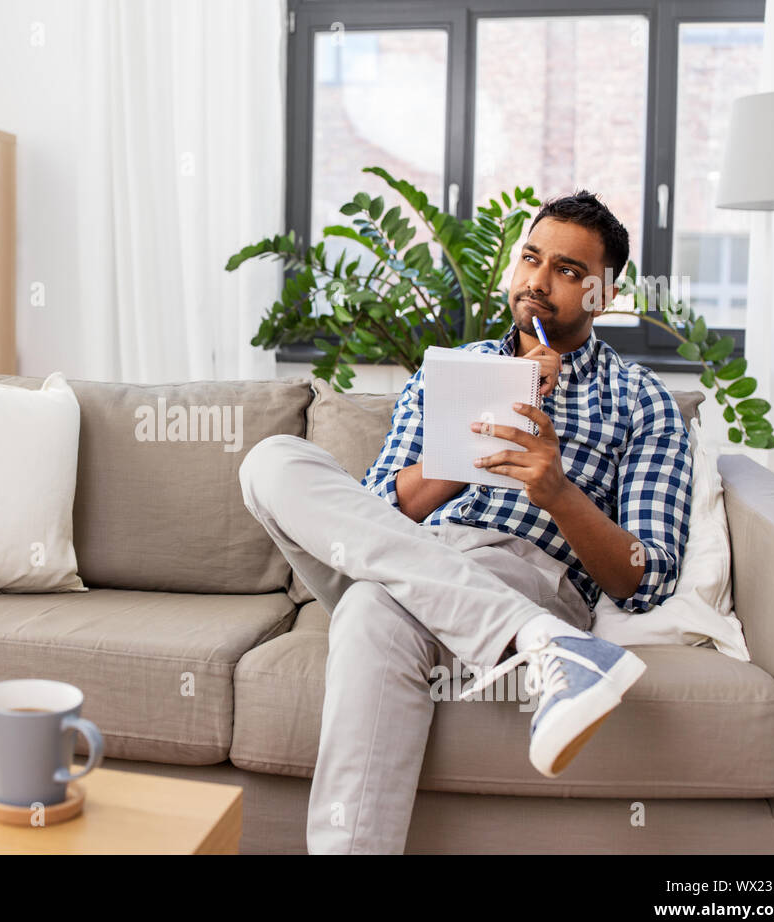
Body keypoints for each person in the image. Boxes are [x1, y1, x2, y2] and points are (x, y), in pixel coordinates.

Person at [238, 190, 695, 855]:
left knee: (369, 607)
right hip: (409, 552)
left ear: (604, 293)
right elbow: (372, 516)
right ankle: (546, 647)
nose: (537, 282)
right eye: (531, 259)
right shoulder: (447, 371)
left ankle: (542, 628)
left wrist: (559, 490)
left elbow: (643, 578)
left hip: (521, 571)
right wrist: (468, 447)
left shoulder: (640, 400)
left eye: (568, 272)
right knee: (271, 461)